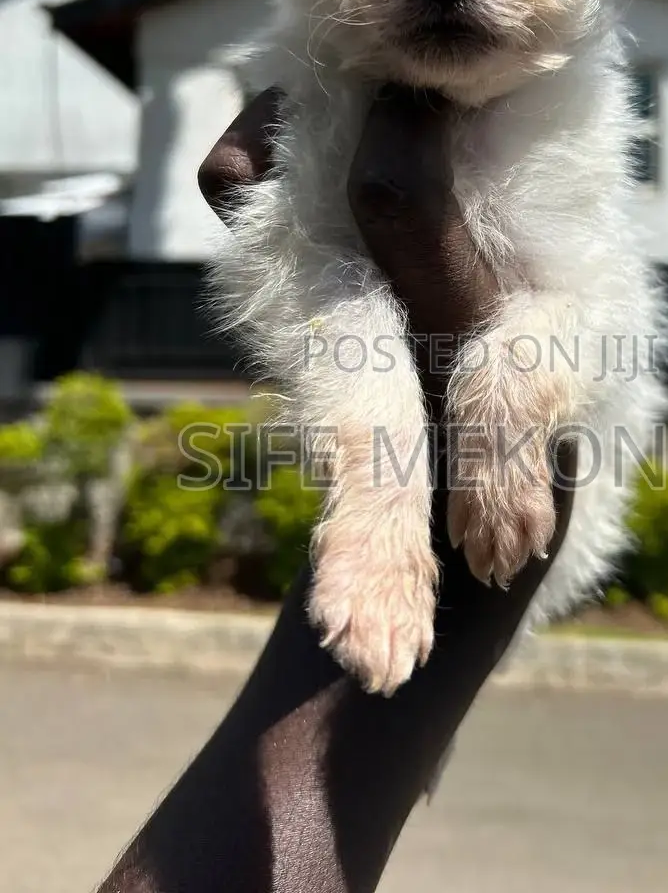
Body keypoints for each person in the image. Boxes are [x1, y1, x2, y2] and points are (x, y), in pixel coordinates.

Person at [96, 84, 575, 893]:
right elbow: (329, 295)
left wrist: (508, 412)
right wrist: (378, 505)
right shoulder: (307, 80)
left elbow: (582, 305)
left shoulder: (573, 121)